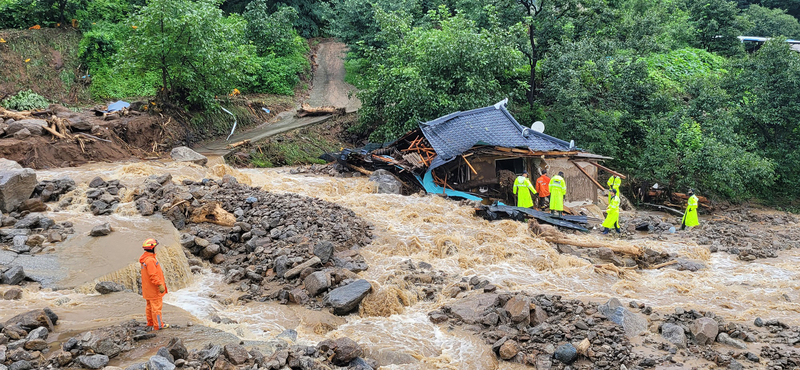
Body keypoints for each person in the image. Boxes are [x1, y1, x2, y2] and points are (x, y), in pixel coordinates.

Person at [140, 238, 169, 330]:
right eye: (155, 246)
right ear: (152, 248)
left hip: (147, 289)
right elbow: (153, 275)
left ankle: (150, 323)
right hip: (154, 289)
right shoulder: (150, 260)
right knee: (156, 307)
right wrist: (160, 285)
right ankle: (158, 325)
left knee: (149, 306)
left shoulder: (145, 259)